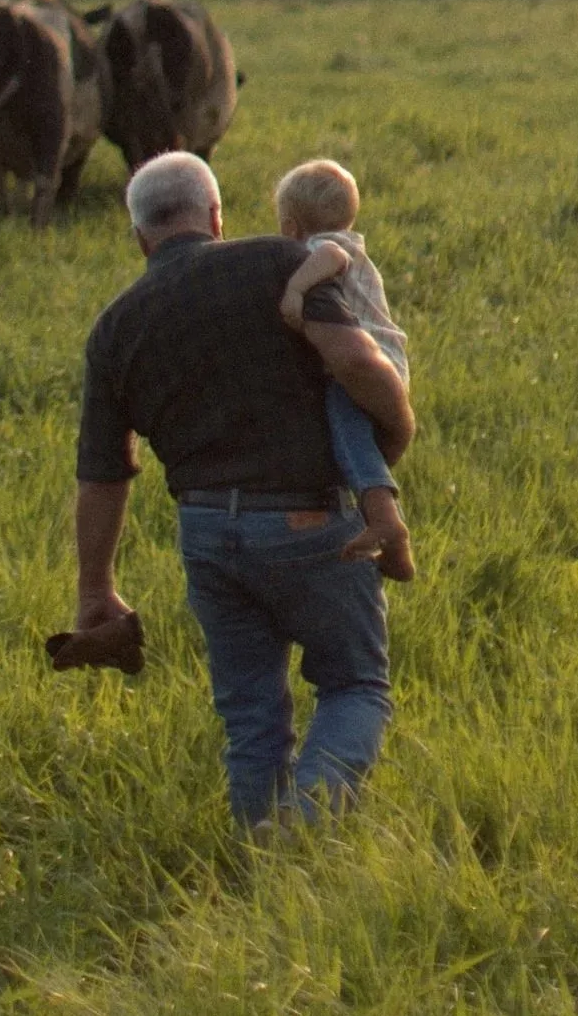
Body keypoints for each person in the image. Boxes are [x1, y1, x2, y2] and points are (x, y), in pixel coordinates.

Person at [72, 149, 415, 824]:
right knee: (354, 685)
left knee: (251, 717)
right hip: (311, 523)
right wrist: (398, 426)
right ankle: (304, 825)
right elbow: (353, 358)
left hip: (206, 536)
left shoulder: (114, 327)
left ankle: (261, 852)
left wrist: (94, 589)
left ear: (140, 237)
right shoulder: (280, 262)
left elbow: (102, 475)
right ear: (216, 216)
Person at [275, 156, 415, 582]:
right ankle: (389, 539)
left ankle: (386, 521)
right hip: (384, 358)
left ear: (291, 227)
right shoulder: (355, 247)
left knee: (348, 430)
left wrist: (295, 288)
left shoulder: (326, 247)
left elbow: (329, 256)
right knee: (353, 436)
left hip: (370, 361)